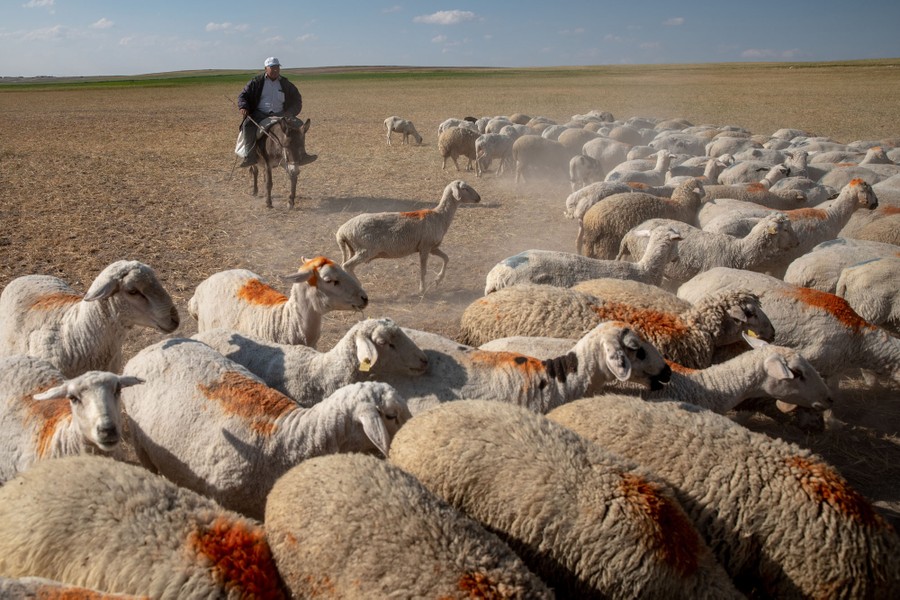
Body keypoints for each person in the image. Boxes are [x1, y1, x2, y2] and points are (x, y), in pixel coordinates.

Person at [235, 57, 305, 168]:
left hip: (281, 114)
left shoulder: (285, 84)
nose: (275, 70)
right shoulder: (256, 82)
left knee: (299, 125)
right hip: (260, 113)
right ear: (265, 68)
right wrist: (243, 106)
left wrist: (290, 112)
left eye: (277, 67)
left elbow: (297, 99)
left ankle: (302, 155)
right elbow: (243, 96)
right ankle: (250, 156)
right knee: (248, 125)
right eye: (272, 68)